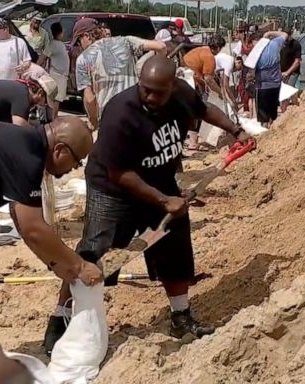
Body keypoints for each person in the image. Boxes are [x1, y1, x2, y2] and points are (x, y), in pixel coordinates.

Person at [43, 55, 254, 355]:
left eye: (158, 92)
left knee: (174, 244)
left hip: (159, 180)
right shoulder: (120, 113)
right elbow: (120, 173)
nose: (150, 97)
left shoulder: (181, 93)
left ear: (172, 86)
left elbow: (204, 109)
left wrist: (236, 131)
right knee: (94, 252)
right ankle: (61, 319)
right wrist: (163, 200)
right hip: (113, 188)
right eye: (145, 89)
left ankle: (180, 316)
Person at [0, 116, 102, 284]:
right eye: (77, 161)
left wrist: (56, 262)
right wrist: (80, 266)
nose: (74, 168)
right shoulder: (28, 158)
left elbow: (18, 212)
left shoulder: (22, 142)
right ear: (60, 150)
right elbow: (33, 229)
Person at [0, 75, 58, 246]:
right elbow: (18, 129)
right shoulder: (22, 96)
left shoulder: (18, 89)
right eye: (43, 101)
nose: (40, 105)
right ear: (39, 92)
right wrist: (42, 138)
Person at [73, 18, 167, 130]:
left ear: (87, 36)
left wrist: (93, 121)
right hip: (135, 111)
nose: (79, 46)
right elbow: (161, 47)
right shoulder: (126, 41)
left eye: (79, 41)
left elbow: (89, 99)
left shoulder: (83, 59)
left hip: (109, 117)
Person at [182, 34, 226, 150]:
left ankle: (191, 141)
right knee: (196, 112)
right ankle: (193, 142)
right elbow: (209, 79)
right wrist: (220, 92)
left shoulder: (201, 50)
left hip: (183, 78)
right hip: (190, 82)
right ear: (217, 47)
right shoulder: (210, 57)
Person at [251, 30, 288, 127]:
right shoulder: (274, 44)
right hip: (275, 85)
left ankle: (265, 134)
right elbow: (284, 34)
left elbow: (251, 72)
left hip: (262, 87)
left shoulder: (256, 52)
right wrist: (270, 33)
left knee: (263, 117)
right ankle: (271, 133)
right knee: (272, 113)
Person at [40, 22, 70, 118]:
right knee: (55, 101)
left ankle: (53, 119)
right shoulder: (53, 44)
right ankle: (53, 120)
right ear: (60, 32)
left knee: (55, 100)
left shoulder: (59, 44)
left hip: (61, 76)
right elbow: (42, 58)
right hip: (57, 76)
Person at [280, 27, 301, 112]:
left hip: (292, 73)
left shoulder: (295, 45)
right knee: (286, 94)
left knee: (286, 94)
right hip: (281, 73)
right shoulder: (282, 44)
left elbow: (297, 62)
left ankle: (285, 114)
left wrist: (287, 72)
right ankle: (294, 108)